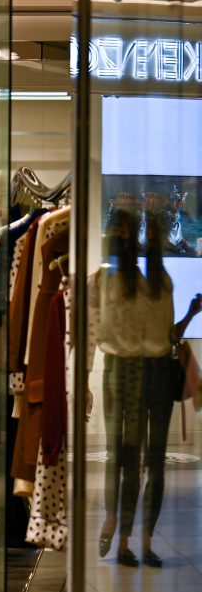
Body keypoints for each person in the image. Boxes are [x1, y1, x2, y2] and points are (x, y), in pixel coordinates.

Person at [91, 205, 202, 568]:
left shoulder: (157, 282)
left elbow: (167, 335)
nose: (139, 242)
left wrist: (189, 314)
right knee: (123, 456)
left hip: (150, 369)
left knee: (152, 461)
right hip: (122, 369)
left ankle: (141, 540)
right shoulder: (108, 279)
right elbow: (95, 332)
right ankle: (119, 531)